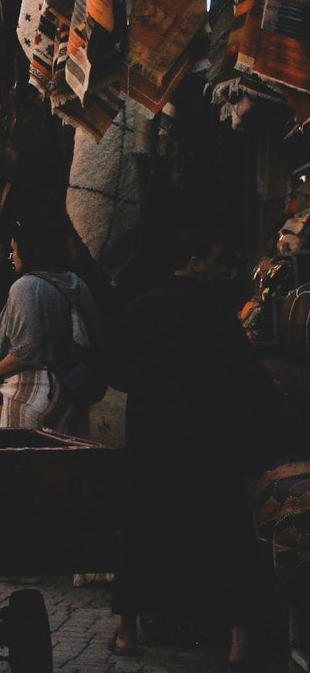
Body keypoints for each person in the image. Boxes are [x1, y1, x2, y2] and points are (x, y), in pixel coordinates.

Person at [107, 230, 274, 666]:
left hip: (150, 437)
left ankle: (126, 633)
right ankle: (239, 640)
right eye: (216, 260)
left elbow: (116, 371)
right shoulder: (214, 311)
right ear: (195, 262)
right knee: (227, 531)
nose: (223, 269)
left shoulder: (141, 307)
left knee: (141, 527)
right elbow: (247, 375)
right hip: (206, 437)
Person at [0, 216, 102, 435]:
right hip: (71, 390)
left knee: (22, 454)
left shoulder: (27, 285)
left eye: (15, 250)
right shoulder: (76, 283)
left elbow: (28, 349)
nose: (13, 257)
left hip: (31, 390)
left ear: (28, 250)